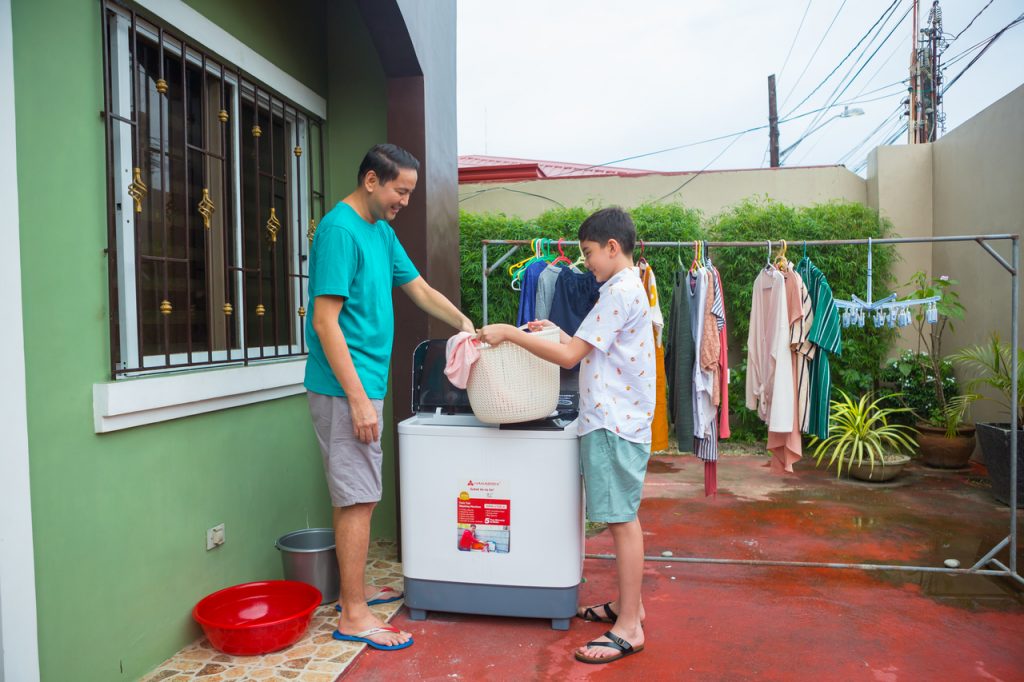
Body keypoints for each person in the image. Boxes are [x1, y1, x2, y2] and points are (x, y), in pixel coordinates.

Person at [306, 143, 474, 651]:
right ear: (372, 181)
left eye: (410, 192)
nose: (405, 200)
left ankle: (351, 596)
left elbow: (419, 289)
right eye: (401, 190)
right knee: (358, 497)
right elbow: (324, 321)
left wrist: (466, 324)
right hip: (345, 388)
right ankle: (354, 614)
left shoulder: (381, 232)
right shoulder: (340, 231)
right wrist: (357, 399)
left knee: (360, 492)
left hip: (365, 384)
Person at [478, 206, 654, 665]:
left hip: (614, 423)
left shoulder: (619, 291)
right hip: (616, 420)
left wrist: (508, 335)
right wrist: (556, 330)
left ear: (613, 248)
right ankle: (626, 606)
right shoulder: (622, 288)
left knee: (621, 520)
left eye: (590, 253)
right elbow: (590, 345)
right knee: (620, 518)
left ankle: (630, 627)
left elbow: (571, 357)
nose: (587, 263)